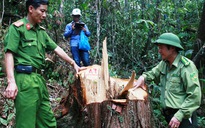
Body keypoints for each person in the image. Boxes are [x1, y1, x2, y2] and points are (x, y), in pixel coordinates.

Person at [3, 0, 84, 127]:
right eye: (42, 11)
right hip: (25, 79)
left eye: (46, 11)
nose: (45, 15)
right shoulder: (18, 28)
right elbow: (9, 54)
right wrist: (11, 82)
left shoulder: (41, 32)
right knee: (26, 123)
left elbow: (57, 49)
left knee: (48, 122)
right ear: (31, 9)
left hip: (39, 80)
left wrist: (73, 63)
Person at [132, 33, 201, 128]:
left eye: (161, 48)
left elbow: (195, 96)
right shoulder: (164, 64)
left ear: (172, 48)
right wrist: (143, 77)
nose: (159, 51)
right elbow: (152, 74)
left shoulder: (186, 67)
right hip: (169, 116)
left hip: (183, 117)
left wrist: (179, 116)